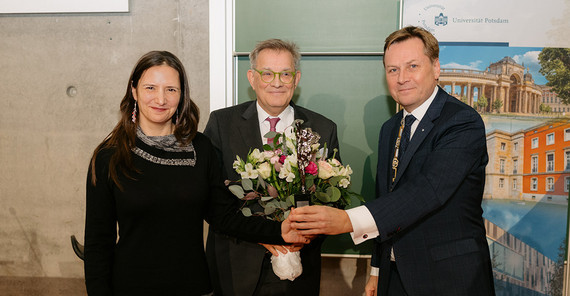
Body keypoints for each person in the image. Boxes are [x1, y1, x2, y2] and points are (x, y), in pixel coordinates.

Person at [288, 26, 495, 296]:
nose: (402, 78)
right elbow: (386, 198)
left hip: (450, 279)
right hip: (395, 276)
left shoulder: (462, 122)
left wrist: (346, 220)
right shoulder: (391, 127)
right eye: (392, 69)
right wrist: (377, 270)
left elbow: (428, 190)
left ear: (436, 67)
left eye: (412, 66)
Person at [83, 51, 306, 296]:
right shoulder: (109, 157)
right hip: (129, 287)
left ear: (182, 96)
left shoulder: (201, 149)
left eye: (171, 90)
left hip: (194, 287)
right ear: (134, 91)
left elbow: (223, 216)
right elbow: (97, 244)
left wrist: (278, 231)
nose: (161, 98)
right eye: (150, 88)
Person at [204, 39, 340, 296]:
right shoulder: (222, 124)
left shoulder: (322, 129)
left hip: (298, 269)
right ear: (252, 78)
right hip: (236, 267)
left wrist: (301, 239)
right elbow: (211, 200)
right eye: (267, 73)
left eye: (285, 74)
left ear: (296, 78)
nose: (276, 82)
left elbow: (333, 203)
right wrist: (269, 234)